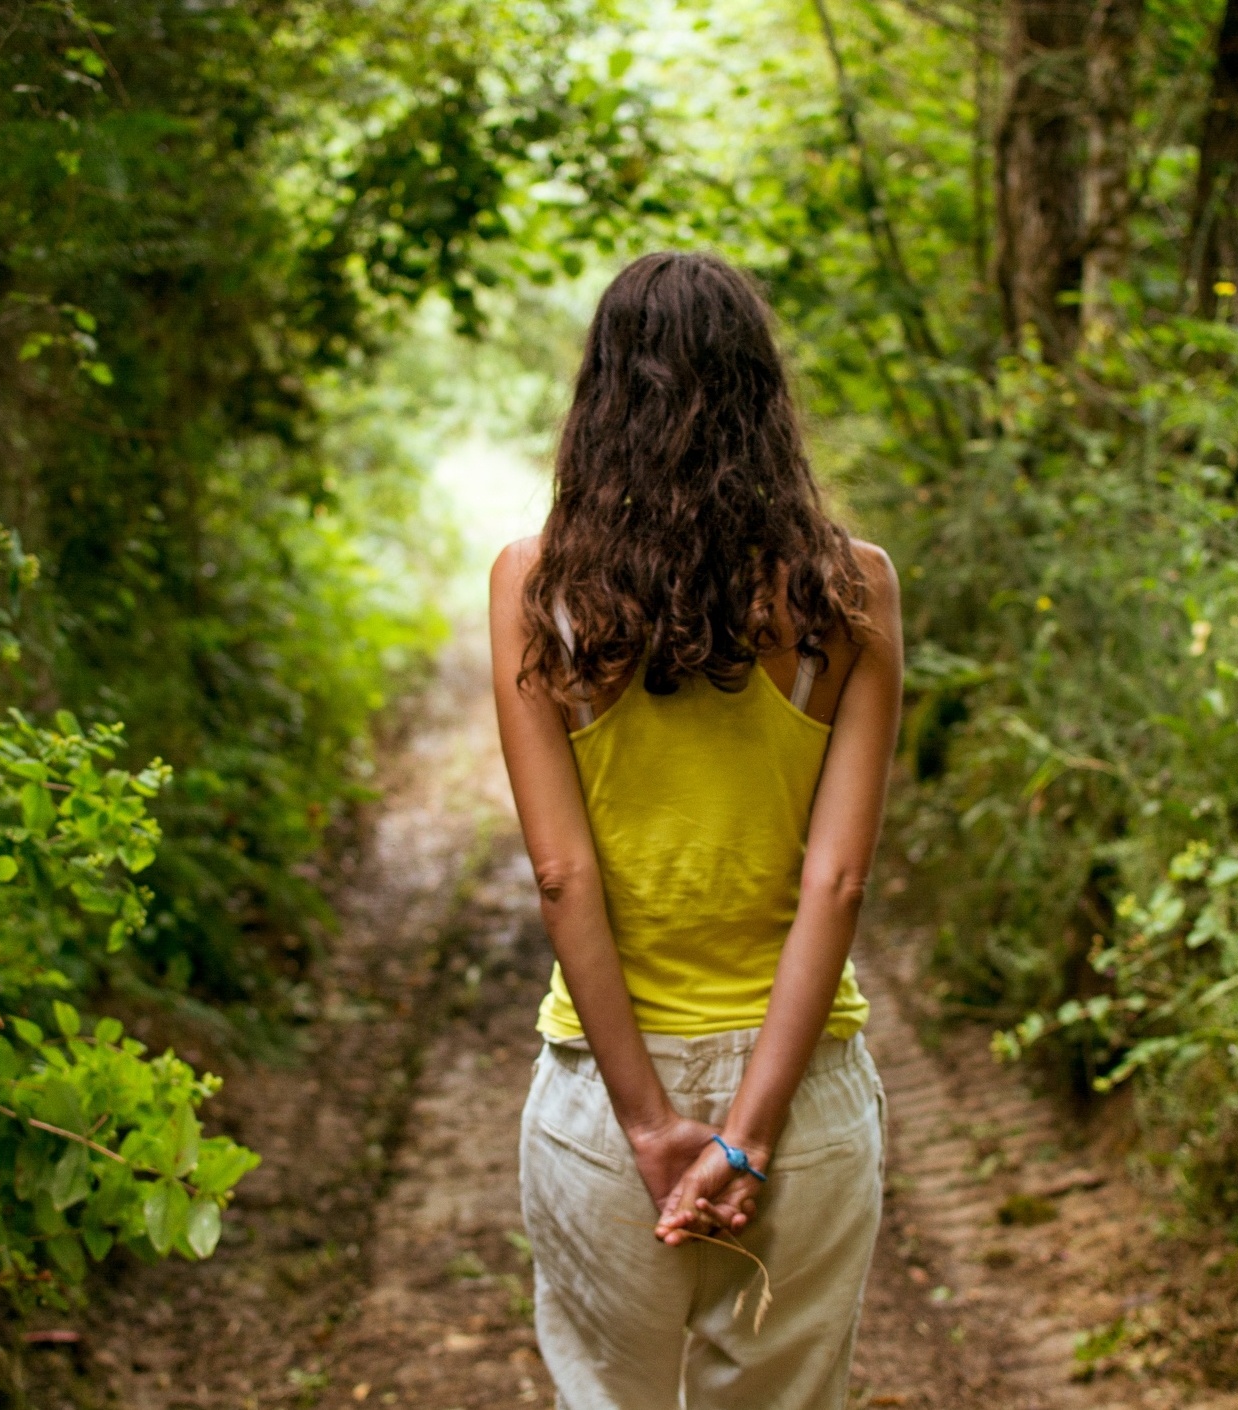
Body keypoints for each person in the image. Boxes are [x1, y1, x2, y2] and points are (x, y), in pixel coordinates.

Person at [488, 250, 904, 1410]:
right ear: (763, 398)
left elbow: (564, 877)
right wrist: (751, 1136)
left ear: (602, 397)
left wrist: (652, 1124)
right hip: (805, 1089)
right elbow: (839, 881)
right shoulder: (850, 589)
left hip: (601, 1100)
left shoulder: (539, 591)